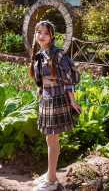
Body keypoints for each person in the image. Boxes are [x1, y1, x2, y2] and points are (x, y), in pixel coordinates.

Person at [29, 20, 82, 191]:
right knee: (49, 139)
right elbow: (40, 80)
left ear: (52, 36)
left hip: (57, 99)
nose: (41, 36)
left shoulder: (58, 54)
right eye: (38, 32)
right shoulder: (39, 54)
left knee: (52, 140)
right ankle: (50, 173)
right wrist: (41, 87)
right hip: (46, 98)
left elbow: (69, 78)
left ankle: (51, 180)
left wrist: (72, 100)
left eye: (45, 33)